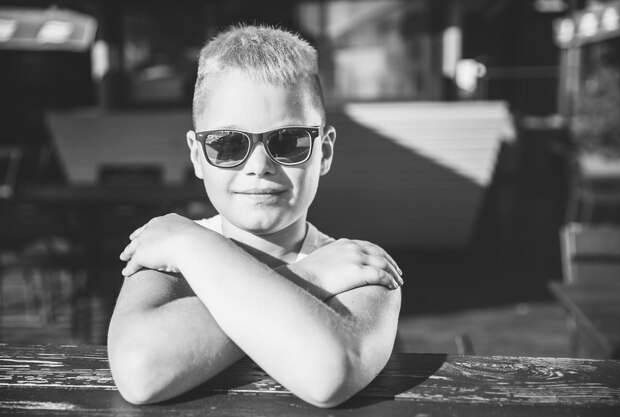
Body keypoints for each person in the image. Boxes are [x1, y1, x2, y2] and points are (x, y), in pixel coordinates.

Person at [108, 24, 403, 408]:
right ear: (198, 155)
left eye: (289, 140)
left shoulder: (362, 268)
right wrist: (311, 277)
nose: (258, 166)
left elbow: (329, 374)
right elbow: (140, 371)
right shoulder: (170, 254)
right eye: (228, 144)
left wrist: (190, 244)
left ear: (325, 152)